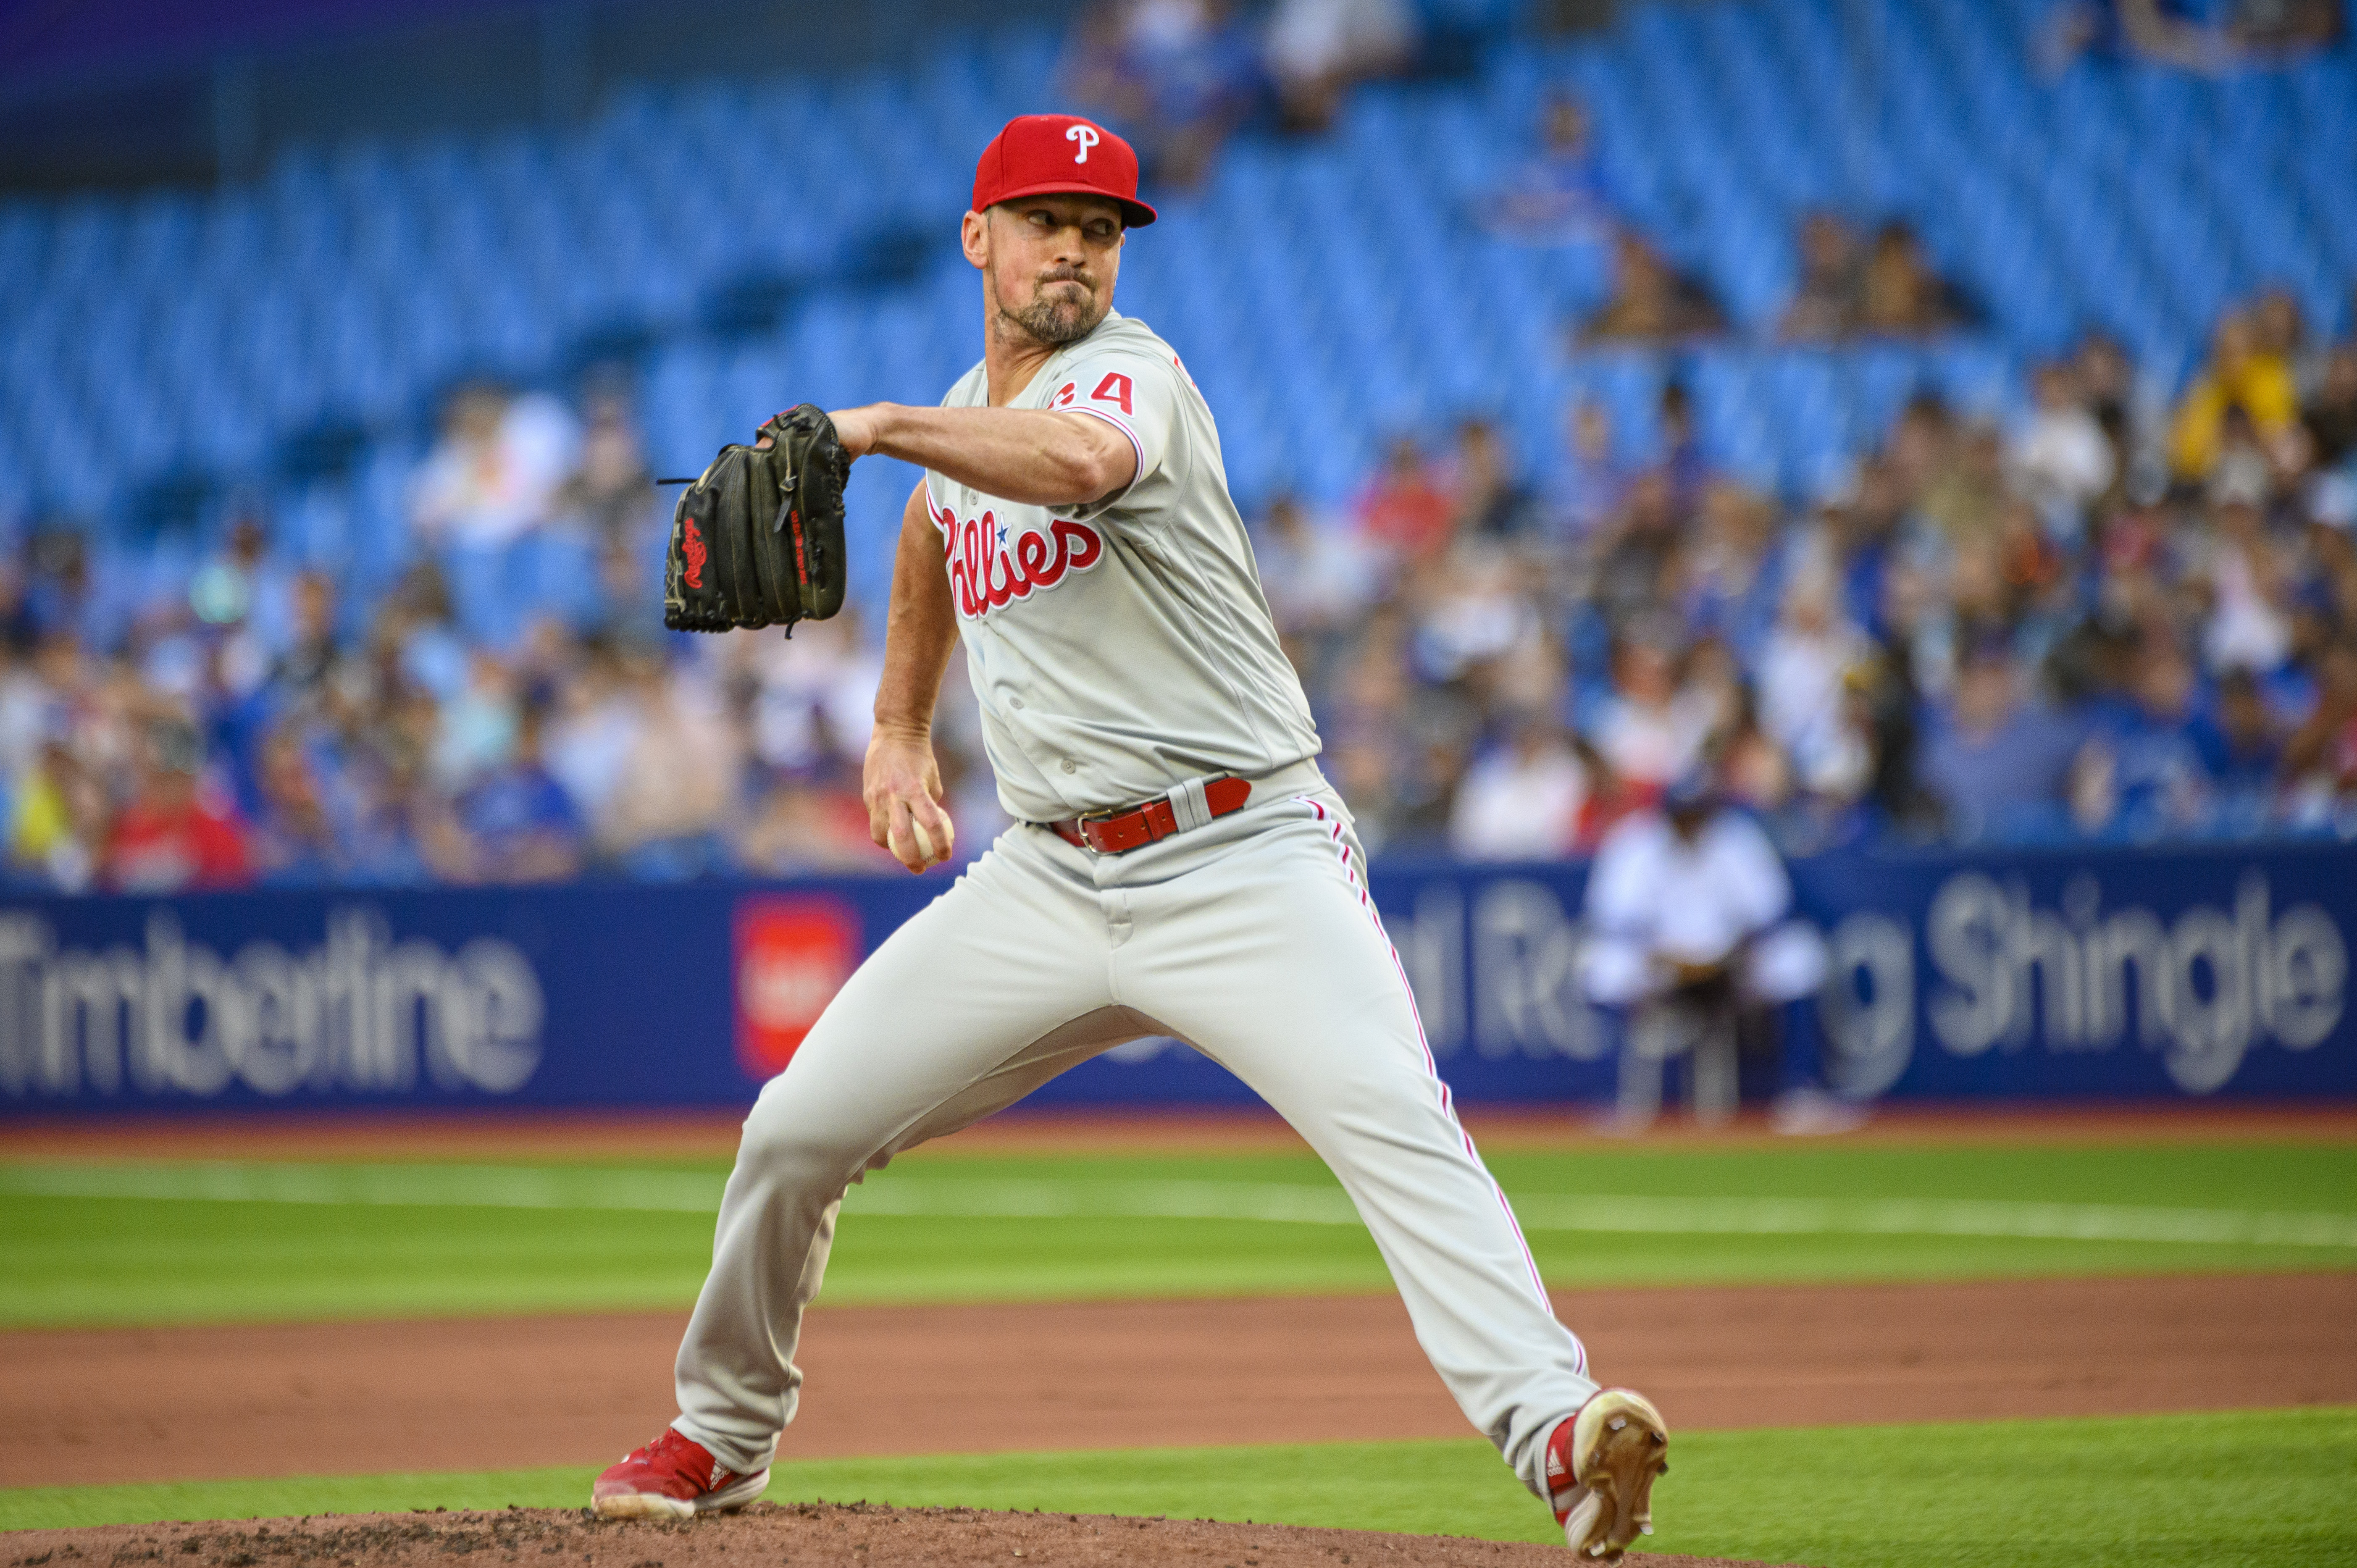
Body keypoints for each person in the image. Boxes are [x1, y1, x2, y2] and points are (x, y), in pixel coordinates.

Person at [590, 114, 1668, 1560]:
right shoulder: (974, 409)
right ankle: (723, 1433)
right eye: (1046, 222)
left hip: (1242, 859)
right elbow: (924, 539)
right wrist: (898, 727)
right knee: (795, 1130)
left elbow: (1077, 462)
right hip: (1047, 875)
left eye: (1100, 229)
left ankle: (1556, 1432)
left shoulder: (1132, 381)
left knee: (1398, 1126)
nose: (1076, 251)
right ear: (979, 238)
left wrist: (873, 421)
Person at [1577, 768, 1837, 1131]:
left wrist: (1726, 958)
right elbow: (1612, 918)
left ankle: (1801, 1093)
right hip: (1657, 963)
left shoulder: (1737, 840)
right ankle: (1619, 1100)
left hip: (1729, 963)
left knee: (1800, 959)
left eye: (1696, 814)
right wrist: (1663, 957)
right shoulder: (1635, 842)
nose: (1689, 823)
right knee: (1601, 966)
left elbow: (1768, 913)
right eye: (1681, 815)